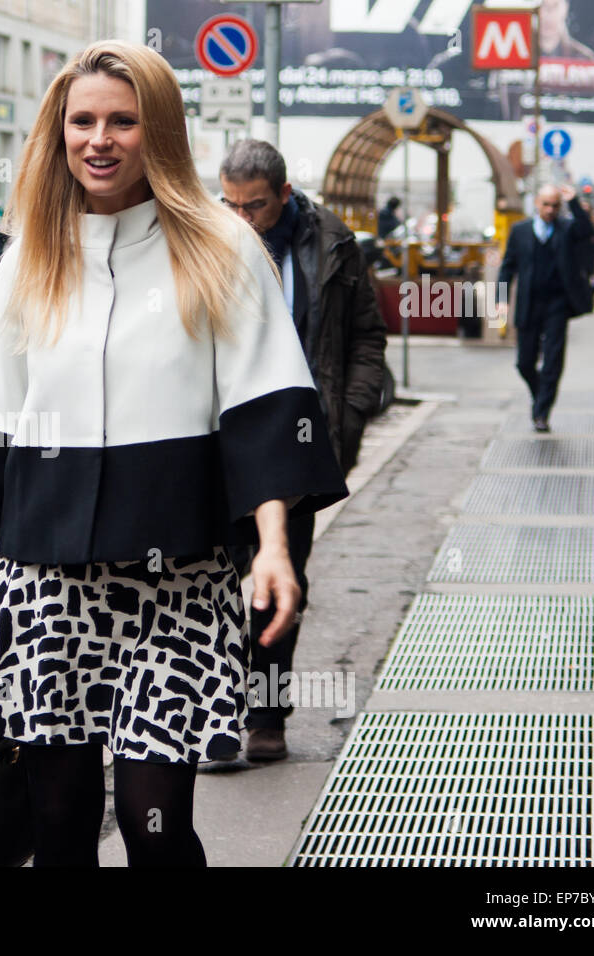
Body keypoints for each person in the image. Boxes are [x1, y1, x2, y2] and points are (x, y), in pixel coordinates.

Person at [0, 40, 348, 867]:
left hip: (178, 586)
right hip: (45, 586)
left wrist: (273, 548)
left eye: (123, 121)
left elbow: (264, 406)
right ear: (59, 133)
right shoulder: (28, 260)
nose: (99, 139)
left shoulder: (222, 248)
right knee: (57, 825)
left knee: (155, 822)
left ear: (158, 130)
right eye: (81, 121)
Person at [218, 139, 387, 761]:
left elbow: (367, 337)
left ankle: (266, 716)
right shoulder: (211, 237)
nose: (243, 219)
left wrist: (349, 414)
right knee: (210, 579)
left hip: (300, 443)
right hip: (222, 440)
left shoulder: (334, 243)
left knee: (280, 575)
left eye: (255, 206)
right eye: (231, 204)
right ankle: (213, 713)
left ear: (284, 195)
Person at [496, 184, 594, 432]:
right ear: (536, 204)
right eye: (546, 205)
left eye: (555, 205)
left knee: (553, 359)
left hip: (558, 303)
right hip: (529, 302)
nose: (550, 210)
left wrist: (574, 202)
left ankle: (541, 412)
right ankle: (540, 393)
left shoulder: (566, 228)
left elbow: (587, 231)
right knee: (524, 362)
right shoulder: (520, 231)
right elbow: (507, 266)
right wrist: (501, 299)